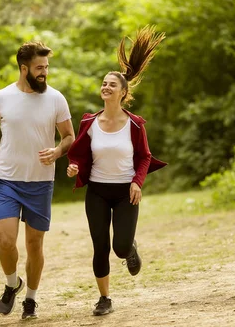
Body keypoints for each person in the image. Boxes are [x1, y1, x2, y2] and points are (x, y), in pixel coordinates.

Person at [66, 25, 167, 316]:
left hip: (126, 192)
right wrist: (75, 168)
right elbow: (83, 157)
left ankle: (130, 248)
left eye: (112, 85)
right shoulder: (89, 122)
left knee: (120, 248)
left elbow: (145, 157)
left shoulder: (135, 124)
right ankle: (104, 298)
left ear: (123, 93)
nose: (106, 87)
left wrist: (137, 182)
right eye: (104, 83)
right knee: (100, 246)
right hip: (97, 191)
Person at [0, 41, 74, 320]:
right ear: (23, 68)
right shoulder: (2, 97)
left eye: (46, 67)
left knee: (34, 245)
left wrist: (56, 151)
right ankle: (11, 284)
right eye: (39, 68)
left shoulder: (56, 98)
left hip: (41, 182)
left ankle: (30, 299)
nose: (44, 73)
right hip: (6, 180)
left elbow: (69, 136)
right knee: (6, 242)